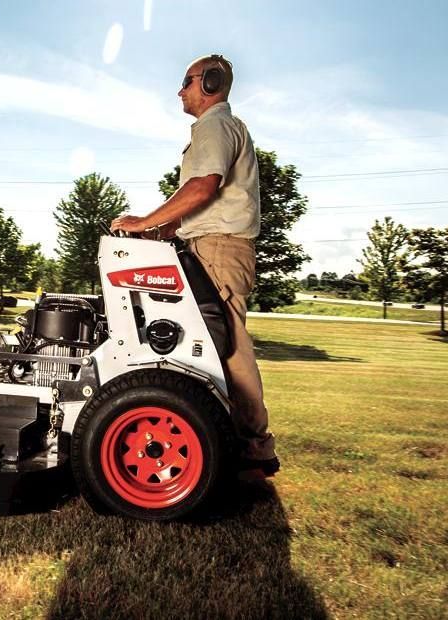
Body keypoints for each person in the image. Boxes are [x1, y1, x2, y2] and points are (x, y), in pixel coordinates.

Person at [110, 54, 278, 478]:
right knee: (200, 343)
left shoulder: (215, 125)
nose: (179, 90)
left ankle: (255, 449)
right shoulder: (218, 128)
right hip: (207, 243)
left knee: (230, 347)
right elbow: (198, 205)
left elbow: (204, 188)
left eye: (186, 82)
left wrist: (145, 220)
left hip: (219, 249)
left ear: (210, 83)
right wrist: (159, 235)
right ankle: (220, 437)